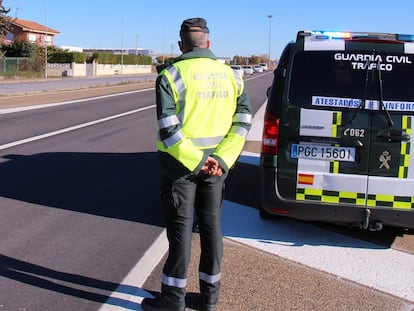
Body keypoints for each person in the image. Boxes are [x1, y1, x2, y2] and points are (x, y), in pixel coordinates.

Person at [142, 17, 252, 311]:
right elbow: (243, 122)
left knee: (180, 232)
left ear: (181, 45)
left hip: (180, 168)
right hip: (217, 168)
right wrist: (221, 159)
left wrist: (198, 161)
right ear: (209, 43)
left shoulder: (171, 75)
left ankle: (173, 299)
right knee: (212, 227)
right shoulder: (233, 76)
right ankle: (209, 298)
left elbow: (168, 127)